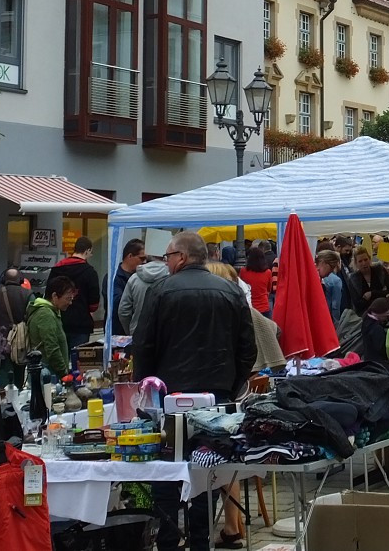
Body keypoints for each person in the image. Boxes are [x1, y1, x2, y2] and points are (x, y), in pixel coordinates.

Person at [133, 233, 255, 551]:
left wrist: (146, 388)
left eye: (168, 256)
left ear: (183, 257)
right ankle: (201, 538)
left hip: (170, 392)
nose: (166, 261)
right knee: (207, 465)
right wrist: (231, 384)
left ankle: (169, 537)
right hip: (217, 394)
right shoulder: (231, 291)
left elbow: (143, 344)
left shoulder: (161, 290)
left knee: (167, 465)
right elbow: (247, 347)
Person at [205, 260, 282, 549]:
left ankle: (229, 526)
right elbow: (273, 330)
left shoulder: (227, 315)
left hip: (236, 404)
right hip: (247, 399)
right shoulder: (244, 311)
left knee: (213, 448)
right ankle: (231, 526)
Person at [52, 236, 101, 348]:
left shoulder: (57, 268)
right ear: (87, 250)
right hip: (81, 323)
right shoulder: (90, 272)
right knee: (79, 360)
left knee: (61, 358)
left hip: (59, 321)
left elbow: (49, 293)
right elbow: (94, 302)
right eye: (91, 252)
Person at [25, 275, 76, 378]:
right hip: (48, 375)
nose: (70, 303)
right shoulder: (45, 314)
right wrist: (64, 373)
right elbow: (52, 347)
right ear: (54, 296)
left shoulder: (52, 312)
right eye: (68, 298)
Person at [119, 252, 170, 335]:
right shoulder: (172, 279)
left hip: (138, 333)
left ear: (147, 257)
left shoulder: (134, 278)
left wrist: (131, 330)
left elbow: (123, 311)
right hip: (163, 335)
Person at [109, 238, 145, 334]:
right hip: (117, 331)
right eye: (141, 258)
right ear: (130, 256)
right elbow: (117, 303)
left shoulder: (141, 277)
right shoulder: (114, 277)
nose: (144, 262)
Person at [346, 246, 389, 317]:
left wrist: (372, 294)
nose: (364, 263)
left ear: (369, 259)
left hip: (384, 312)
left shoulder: (380, 271)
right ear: (356, 263)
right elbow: (357, 303)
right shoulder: (353, 279)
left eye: (365, 259)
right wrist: (381, 293)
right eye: (360, 261)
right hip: (364, 315)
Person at [361, 297, 389, 371]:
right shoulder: (376, 329)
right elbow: (382, 349)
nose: (387, 318)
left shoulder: (366, 322)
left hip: (369, 361)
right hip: (379, 365)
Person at [239, 247, 273, 316]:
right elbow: (269, 289)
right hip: (264, 307)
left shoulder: (243, 271)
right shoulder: (268, 272)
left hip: (249, 306)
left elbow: (241, 288)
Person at [316, 249, 344, 326]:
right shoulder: (315, 279)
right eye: (331, 268)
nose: (329, 274)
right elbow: (335, 306)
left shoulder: (317, 278)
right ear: (323, 263)